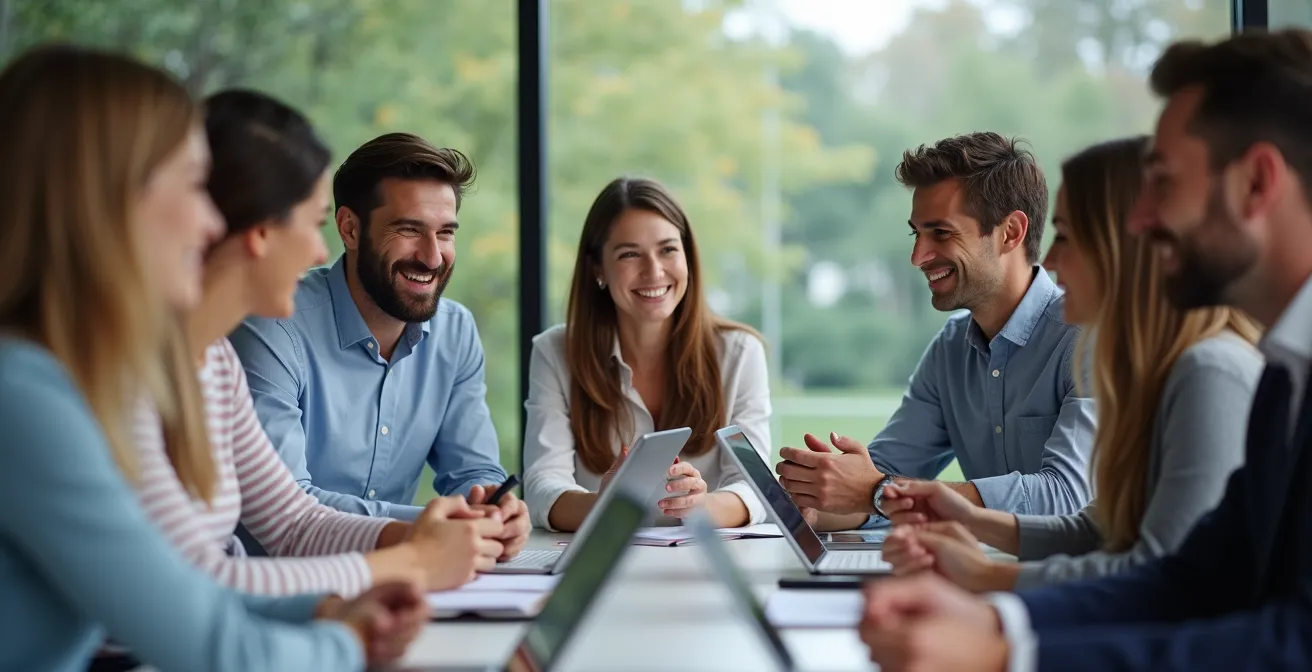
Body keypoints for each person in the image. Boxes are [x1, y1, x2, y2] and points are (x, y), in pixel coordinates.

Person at [859, 29, 1312, 672]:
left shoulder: (1224, 368)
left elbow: (1289, 638)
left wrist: (1006, 646)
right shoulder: (1285, 376)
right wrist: (999, 617)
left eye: (1163, 181)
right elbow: (1196, 575)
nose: (1142, 218)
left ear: (1258, 182)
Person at [0, 44, 424, 671]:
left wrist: (335, 608)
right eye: (194, 186)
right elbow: (214, 644)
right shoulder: (25, 394)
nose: (210, 222)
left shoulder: (65, 374)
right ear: (111, 197)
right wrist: (351, 637)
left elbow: (189, 593)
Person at [128, 87, 505, 599]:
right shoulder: (118, 376)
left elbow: (292, 521)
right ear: (257, 232)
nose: (318, 249)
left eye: (445, 233)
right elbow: (193, 589)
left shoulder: (213, 361)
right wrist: (412, 559)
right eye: (312, 224)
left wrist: (441, 539)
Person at [878, 136, 1262, 592]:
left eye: (1067, 235)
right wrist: (970, 520)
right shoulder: (1159, 370)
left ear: (1128, 244)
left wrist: (990, 581)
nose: (1053, 261)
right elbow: (1102, 532)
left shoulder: (1208, 371)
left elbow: (1162, 578)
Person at [777, 132, 1096, 532]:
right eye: (916, 233)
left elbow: (1067, 497)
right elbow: (884, 476)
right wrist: (815, 499)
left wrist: (878, 491)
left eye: (941, 233)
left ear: (1010, 233)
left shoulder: (1087, 340)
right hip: (980, 576)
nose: (918, 256)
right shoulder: (950, 349)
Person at [228, 132, 530, 553]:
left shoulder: (455, 331)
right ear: (350, 229)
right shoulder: (273, 326)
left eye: (445, 233)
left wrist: (497, 509)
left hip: (397, 581)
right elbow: (287, 508)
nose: (432, 256)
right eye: (409, 230)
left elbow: (473, 471)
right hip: (279, 588)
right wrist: (439, 525)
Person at [522, 177, 770, 531]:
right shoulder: (555, 353)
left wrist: (701, 506)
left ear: (687, 256)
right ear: (598, 269)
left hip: (704, 561)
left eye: (668, 249)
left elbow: (757, 487)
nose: (654, 271)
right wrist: (604, 507)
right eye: (629, 254)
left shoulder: (740, 353)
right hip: (600, 564)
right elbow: (542, 486)